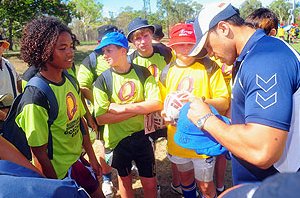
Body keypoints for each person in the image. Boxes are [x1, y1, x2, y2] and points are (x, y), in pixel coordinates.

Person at [188, 2, 300, 185]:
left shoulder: (265, 60)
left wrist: (205, 119)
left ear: (223, 28)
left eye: (208, 45)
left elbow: (262, 150)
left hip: (277, 185)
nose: (210, 54)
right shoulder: (249, 55)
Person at [17, 16, 104, 197]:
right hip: (57, 174)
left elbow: (80, 123)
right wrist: (56, 186)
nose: (70, 52)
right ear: (44, 51)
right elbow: (39, 152)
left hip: (77, 162)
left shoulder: (70, 80)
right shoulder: (36, 97)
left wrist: (92, 158)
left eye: (71, 46)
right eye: (62, 48)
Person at [161, 23, 229, 198]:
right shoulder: (166, 71)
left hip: (203, 138)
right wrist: (164, 113)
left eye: (189, 44)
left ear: (198, 44)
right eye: (179, 44)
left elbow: (224, 102)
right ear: (172, 46)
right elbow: (163, 103)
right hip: (177, 139)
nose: (185, 49)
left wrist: (202, 101)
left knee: (206, 186)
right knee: (185, 179)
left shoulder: (209, 67)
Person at [93, 32, 162, 197]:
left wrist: (123, 108)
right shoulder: (102, 81)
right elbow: (101, 118)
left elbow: (156, 103)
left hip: (142, 136)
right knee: (124, 182)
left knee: (150, 183)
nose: (105, 56)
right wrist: (140, 109)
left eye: (109, 50)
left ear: (123, 50)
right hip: (117, 141)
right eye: (103, 52)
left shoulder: (143, 73)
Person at [77, 24, 120, 197]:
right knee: (104, 144)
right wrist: (102, 102)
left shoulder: (125, 53)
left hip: (125, 110)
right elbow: (82, 86)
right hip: (104, 112)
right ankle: (108, 178)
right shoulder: (92, 59)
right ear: (98, 42)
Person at [0, 35, 22, 129]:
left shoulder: (7, 63)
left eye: (1, 44)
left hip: (14, 112)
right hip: (3, 116)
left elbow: (18, 81)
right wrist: (3, 116)